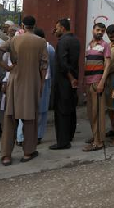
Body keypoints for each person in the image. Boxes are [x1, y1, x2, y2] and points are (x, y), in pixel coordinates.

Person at [0, 15, 48, 165]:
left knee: (9, 119)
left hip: (14, 81)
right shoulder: (41, 42)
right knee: (30, 119)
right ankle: (28, 152)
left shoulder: (14, 39)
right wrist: (41, 85)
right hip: (32, 82)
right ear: (35, 25)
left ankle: (6, 155)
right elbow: (44, 65)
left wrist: (6, 67)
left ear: (22, 25)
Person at [16, 28, 56, 144]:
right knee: (41, 111)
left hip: (28, 81)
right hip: (44, 81)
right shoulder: (49, 48)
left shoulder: (24, 46)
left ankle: (21, 137)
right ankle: (37, 136)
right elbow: (52, 66)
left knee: (25, 109)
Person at [51, 18, 80, 150]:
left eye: (56, 28)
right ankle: (69, 135)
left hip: (64, 80)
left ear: (62, 28)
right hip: (72, 79)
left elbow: (63, 63)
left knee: (61, 111)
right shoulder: (75, 39)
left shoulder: (63, 41)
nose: (55, 31)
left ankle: (63, 141)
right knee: (70, 108)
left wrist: (70, 78)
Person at [82, 22, 111, 152]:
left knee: (98, 113)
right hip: (88, 83)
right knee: (91, 113)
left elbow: (108, 65)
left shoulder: (105, 45)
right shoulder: (89, 45)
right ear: (93, 30)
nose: (100, 32)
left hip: (97, 83)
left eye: (102, 31)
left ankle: (98, 142)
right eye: (98, 30)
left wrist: (101, 82)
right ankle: (95, 137)